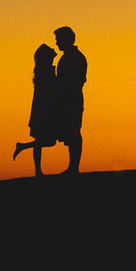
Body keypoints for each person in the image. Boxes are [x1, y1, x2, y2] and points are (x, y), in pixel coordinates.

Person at [13, 43, 58, 176]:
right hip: (44, 111)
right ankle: (37, 169)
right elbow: (50, 90)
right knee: (46, 141)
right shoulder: (45, 71)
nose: (53, 50)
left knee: (43, 141)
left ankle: (25, 150)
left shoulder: (44, 70)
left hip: (42, 110)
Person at [53, 25, 86, 175]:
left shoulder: (74, 57)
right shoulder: (70, 56)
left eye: (58, 40)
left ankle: (73, 168)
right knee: (72, 133)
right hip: (69, 99)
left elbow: (74, 80)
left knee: (74, 133)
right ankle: (73, 167)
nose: (57, 43)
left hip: (71, 99)